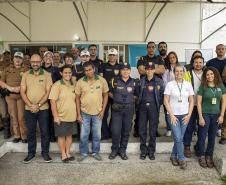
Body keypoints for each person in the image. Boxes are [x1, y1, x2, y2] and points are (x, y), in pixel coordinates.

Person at [20, 54, 53, 163]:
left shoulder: (47, 75)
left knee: (44, 132)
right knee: (31, 132)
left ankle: (45, 153)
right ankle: (31, 153)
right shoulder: (25, 75)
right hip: (29, 109)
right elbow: (22, 92)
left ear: (41, 62)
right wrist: (30, 105)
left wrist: (38, 105)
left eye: (37, 62)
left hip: (43, 109)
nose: (35, 64)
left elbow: (48, 92)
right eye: (33, 62)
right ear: (30, 62)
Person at [75, 61, 109, 161]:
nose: (88, 72)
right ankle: (83, 153)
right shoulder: (80, 82)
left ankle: (95, 152)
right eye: (86, 70)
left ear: (94, 69)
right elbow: (77, 98)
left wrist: (103, 110)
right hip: (84, 113)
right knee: (84, 135)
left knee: (97, 135)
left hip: (98, 113)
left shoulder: (102, 80)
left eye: (90, 69)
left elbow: (106, 95)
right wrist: (78, 114)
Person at [164, 64, 194, 169]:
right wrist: (171, 115)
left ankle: (173, 155)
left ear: (184, 72)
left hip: (185, 116)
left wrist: (189, 115)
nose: (179, 73)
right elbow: (165, 101)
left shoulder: (188, 84)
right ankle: (181, 158)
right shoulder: (169, 84)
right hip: (173, 116)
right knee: (178, 137)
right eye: (177, 71)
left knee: (179, 138)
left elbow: (191, 100)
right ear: (173, 72)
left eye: (181, 71)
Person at [195, 67, 226, 168]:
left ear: (215, 74)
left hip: (216, 115)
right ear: (205, 76)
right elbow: (198, 103)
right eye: (207, 74)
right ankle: (201, 155)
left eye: (211, 74)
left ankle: (209, 156)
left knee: (212, 137)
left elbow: (224, 101)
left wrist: (221, 115)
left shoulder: (221, 86)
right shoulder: (203, 86)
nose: (210, 76)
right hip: (205, 114)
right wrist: (200, 117)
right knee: (202, 136)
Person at [136, 41, 165, 137]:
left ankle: (154, 129)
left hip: (157, 84)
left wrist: (148, 69)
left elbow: (162, 70)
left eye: (153, 47)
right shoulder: (142, 58)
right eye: (149, 47)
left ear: (155, 48)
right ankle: (138, 130)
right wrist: (155, 68)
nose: (151, 49)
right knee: (141, 108)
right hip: (144, 83)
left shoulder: (159, 58)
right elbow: (140, 71)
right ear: (147, 48)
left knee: (155, 108)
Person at [108, 63, 137, 160]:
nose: (125, 71)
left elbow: (136, 95)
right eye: (123, 69)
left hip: (129, 109)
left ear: (130, 71)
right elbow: (110, 93)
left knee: (126, 131)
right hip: (117, 109)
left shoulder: (134, 82)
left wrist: (128, 101)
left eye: (127, 69)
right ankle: (114, 150)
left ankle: (123, 150)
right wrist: (118, 99)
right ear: (120, 71)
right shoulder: (114, 81)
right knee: (115, 131)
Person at [49, 65, 77, 163]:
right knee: (61, 136)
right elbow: (52, 101)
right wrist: (55, 116)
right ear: (61, 73)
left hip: (72, 116)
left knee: (69, 136)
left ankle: (68, 153)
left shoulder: (74, 84)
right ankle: (63, 154)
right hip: (61, 116)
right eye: (65, 72)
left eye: (69, 72)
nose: (68, 74)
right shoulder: (57, 85)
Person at [137, 62, 164, 160]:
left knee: (153, 131)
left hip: (153, 108)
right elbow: (137, 94)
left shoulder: (159, 81)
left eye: (151, 69)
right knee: (142, 130)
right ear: (145, 70)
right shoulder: (141, 81)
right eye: (147, 69)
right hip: (142, 108)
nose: (149, 71)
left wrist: (157, 104)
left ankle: (151, 151)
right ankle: (143, 151)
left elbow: (162, 95)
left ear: (154, 70)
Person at [0, 52, 28, 143]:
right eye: (16, 57)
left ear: (22, 59)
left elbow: (29, 82)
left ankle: (24, 136)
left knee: (21, 117)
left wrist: (20, 88)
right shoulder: (7, 69)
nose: (18, 59)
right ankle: (17, 135)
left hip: (21, 96)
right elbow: (1, 82)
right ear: (13, 58)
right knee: (13, 116)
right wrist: (10, 88)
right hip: (10, 96)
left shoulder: (26, 69)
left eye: (20, 57)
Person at [183, 56, 204, 157]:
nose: (198, 64)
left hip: (203, 106)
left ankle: (199, 146)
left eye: (200, 62)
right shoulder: (187, 73)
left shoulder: (207, 74)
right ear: (193, 63)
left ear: (203, 63)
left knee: (202, 127)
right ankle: (186, 146)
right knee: (189, 127)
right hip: (190, 105)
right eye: (196, 62)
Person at [99, 48, 120, 140]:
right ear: (108, 56)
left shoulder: (120, 66)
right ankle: (104, 133)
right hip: (105, 93)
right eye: (110, 55)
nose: (112, 56)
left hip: (117, 94)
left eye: (114, 55)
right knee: (104, 114)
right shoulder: (102, 66)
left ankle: (112, 132)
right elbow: (100, 80)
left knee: (115, 115)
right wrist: (107, 92)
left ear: (116, 56)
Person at [206, 44, 226, 139]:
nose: (221, 50)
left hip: (224, 90)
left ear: (225, 50)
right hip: (212, 90)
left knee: (224, 111)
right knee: (214, 109)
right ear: (216, 51)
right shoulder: (210, 62)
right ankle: (215, 128)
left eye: (222, 49)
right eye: (219, 49)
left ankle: (223, 134)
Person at [42, 51, 61, 142]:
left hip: (52, 96)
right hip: (41, 96)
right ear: (43, 58)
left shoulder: (56, 69)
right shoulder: (40, 68)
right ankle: (45, 135)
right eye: (46, 56)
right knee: (44, 117)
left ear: (52, 58)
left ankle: (53, 136)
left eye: (50, 56)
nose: (48, 58)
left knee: (52, 116)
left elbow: (58, 83)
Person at [162, 51, 179, 137]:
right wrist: (170, 91)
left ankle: (177, 127)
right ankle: (169, 128)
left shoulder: (182, 68)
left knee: (177, 111)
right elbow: (165, 82)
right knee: (168, 112)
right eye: (170, 58)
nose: (172, 59)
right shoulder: (166, 70)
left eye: (173, 57)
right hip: (169, 94)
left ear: (176, 58)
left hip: (179, 94)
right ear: (168, 59)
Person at [0, 52, 9, 134]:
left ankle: (7, 131)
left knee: (6, 111)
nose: (6, 58)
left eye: (8, 57)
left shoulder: (10, 66)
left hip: (7, 92)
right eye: (5, 56)